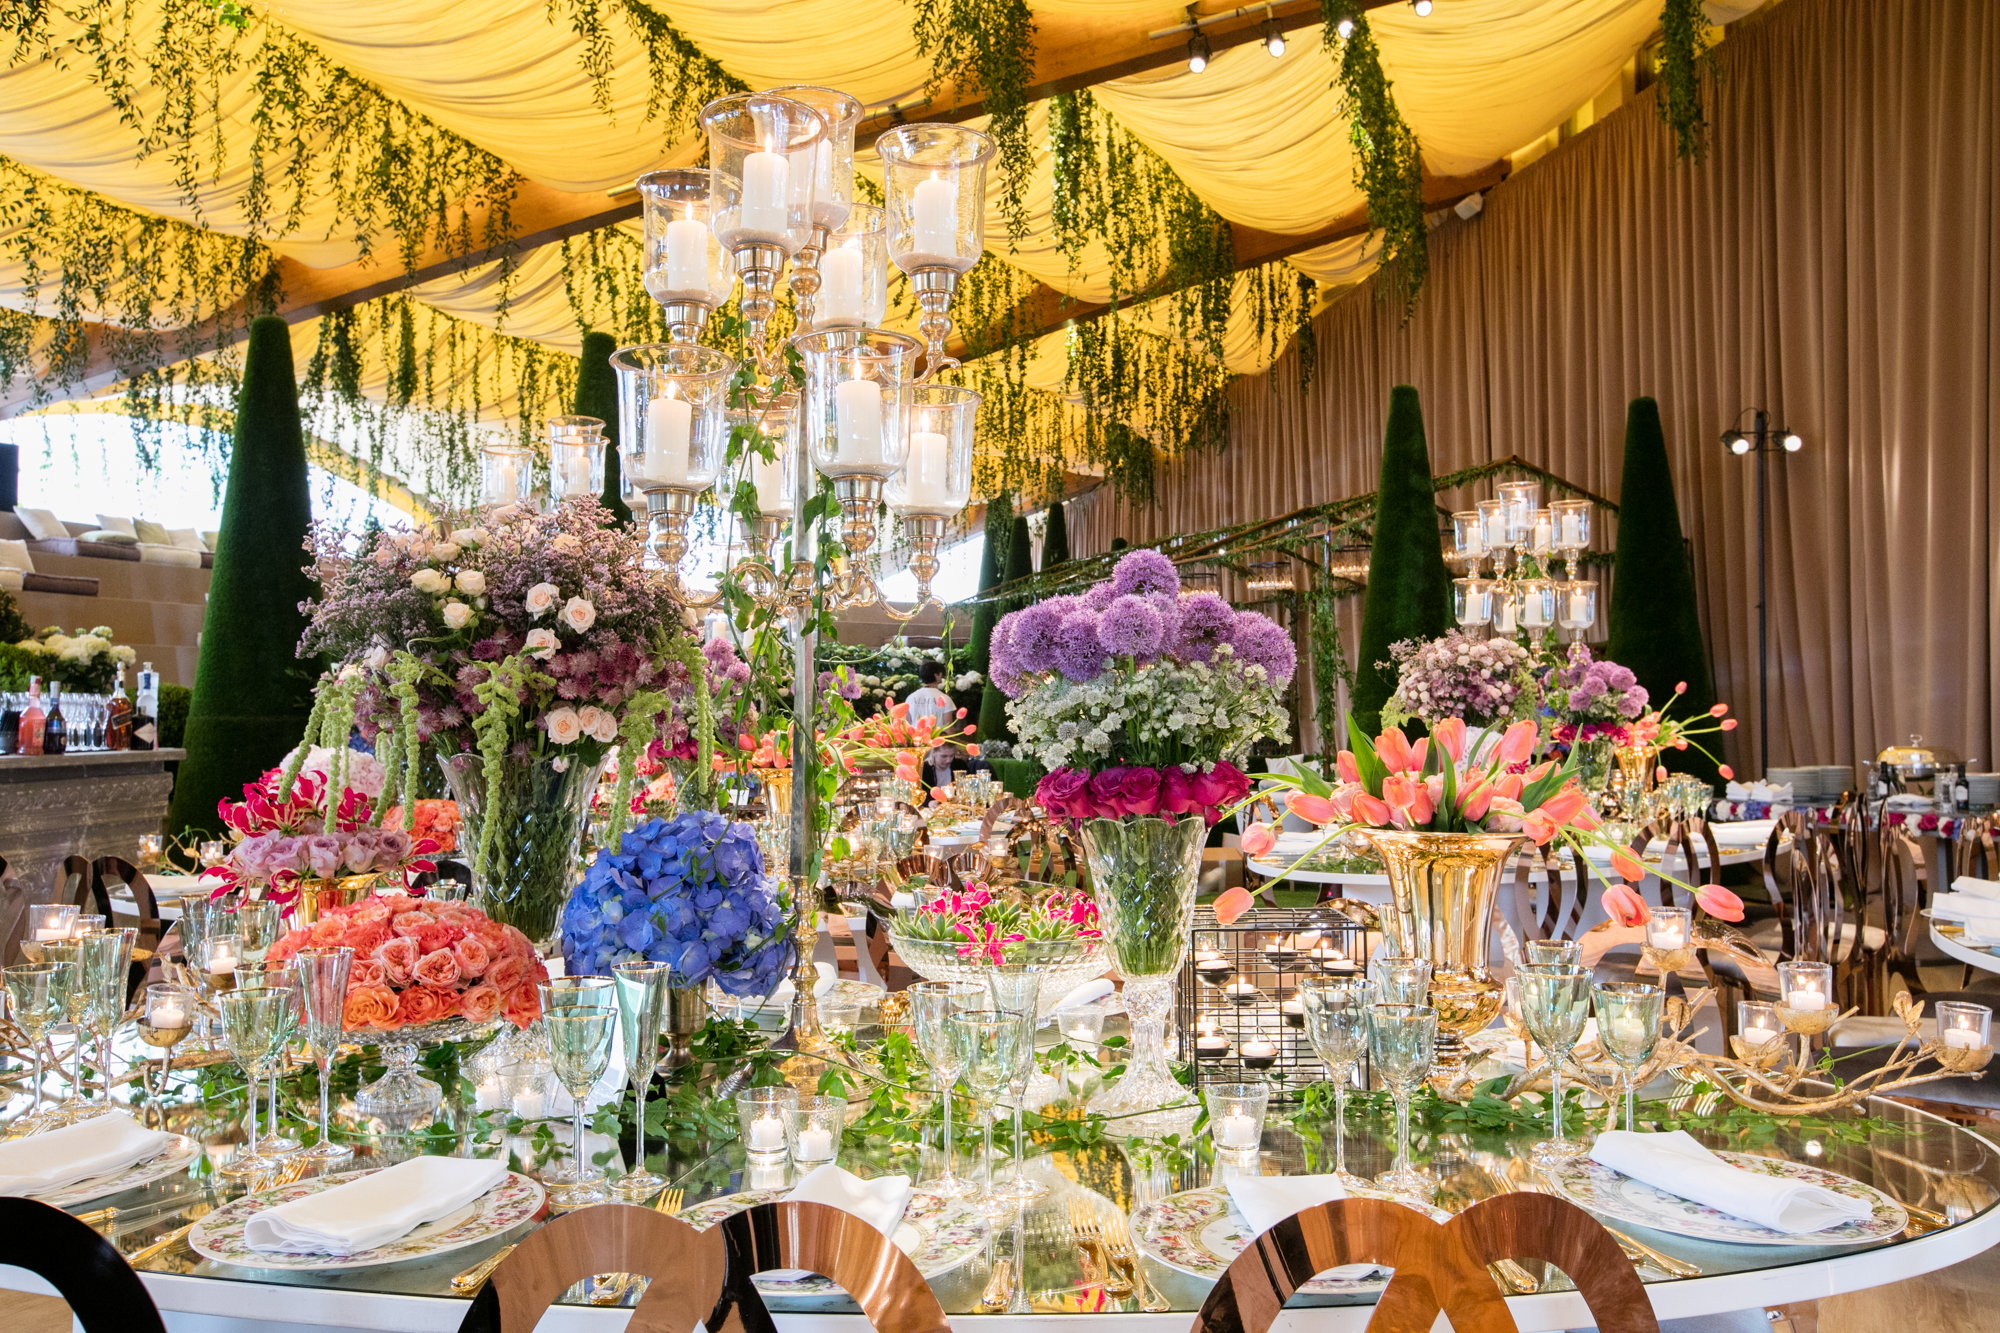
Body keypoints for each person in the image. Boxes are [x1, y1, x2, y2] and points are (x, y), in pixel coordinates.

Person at [904, 661, 958, 786]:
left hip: (917, 746)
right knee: (935, 779)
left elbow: (907, 725)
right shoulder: (944, 698)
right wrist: (956, 745)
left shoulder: (911, 697)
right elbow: (948, 727)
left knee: (918, 778)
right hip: (939, 747)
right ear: (937, 675)